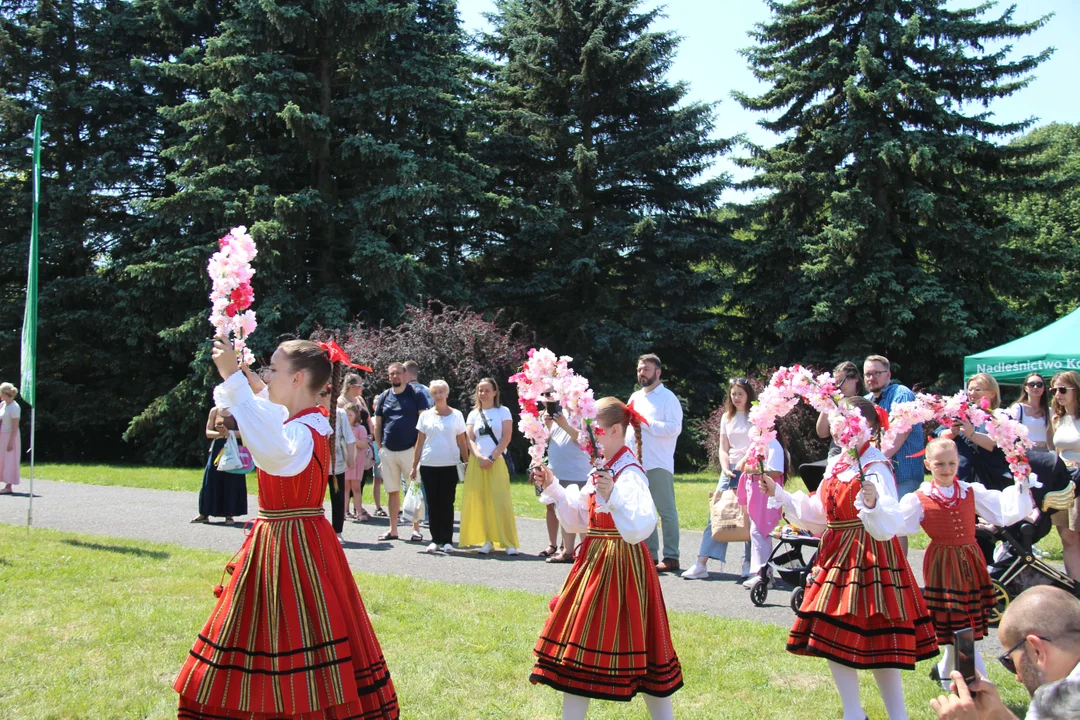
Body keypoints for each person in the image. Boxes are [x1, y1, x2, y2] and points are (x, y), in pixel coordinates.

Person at [175, 338, 398, 719]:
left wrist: (233, 376)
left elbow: (272, 449)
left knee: (295, 629)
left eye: (273, 369)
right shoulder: (296, 419)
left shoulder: (301, 431)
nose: (266, 376)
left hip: (294, 546)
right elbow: (262, 406)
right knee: (262, 627)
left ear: (296, 379)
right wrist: (242, 375)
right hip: (285, 539)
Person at [760, 396, 938, 720]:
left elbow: (889, 521)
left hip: (869, 555)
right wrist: (781, 494)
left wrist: (873, 504)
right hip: (836, 553)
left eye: (845, 422)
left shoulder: (875, 464)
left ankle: (897, 715)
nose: (840, 429)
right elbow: (819, 514)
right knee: (829, 633)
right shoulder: (838, 462)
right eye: (836, 423)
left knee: (880, 641)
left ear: (866, 425)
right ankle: (853, 713)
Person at [531, 397, 682, 720]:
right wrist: (554, 486)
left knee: (645, 654)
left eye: (595, 430)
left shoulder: (629, 471)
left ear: (615, 430)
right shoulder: (604, 467)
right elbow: (580, 519)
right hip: (594, 562)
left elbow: (641, 525)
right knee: (576, 650)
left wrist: (613, 494)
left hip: (624, 566)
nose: (589, 437)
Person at [895, 437, 1033, 688]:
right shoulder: (919, 498)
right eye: (939, 464)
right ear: (928, 465)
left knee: (965, 621)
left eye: (951, 463)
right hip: (942, 564)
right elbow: (897, 524)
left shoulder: (970, 491)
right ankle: (976, 684)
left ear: (959, 463)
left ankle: (949, 673)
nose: (946, 469)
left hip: (971, 560)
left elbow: (1003, 511)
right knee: (956, 622)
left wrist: (1022, 483)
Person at [930, 586, 1080, 720]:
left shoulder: (1059, 701)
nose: (1018, 678)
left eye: (1010, 662)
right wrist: (998, 714)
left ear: (1037, 650)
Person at [682, 378, 755, 581]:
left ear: (748, 394)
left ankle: (749, 563)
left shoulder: (756, 416)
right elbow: (724, 447)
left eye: (740, 393)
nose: (736, 397)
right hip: (729, 470)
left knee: (749, 515)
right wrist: (725, 467)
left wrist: (744, 463)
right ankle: (701, 563)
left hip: (750, 468)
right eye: (733, 394)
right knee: (717, 513)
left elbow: (758, 443)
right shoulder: (726, 417)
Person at [626, 353, 683, 573]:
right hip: (636, 463)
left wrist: (646, 422)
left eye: (646, 369)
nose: (642, 373)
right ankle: (649, 554)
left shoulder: (668, 398)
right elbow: (629, 429)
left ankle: (671, 556)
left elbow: (674, 428)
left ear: (658, 372)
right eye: (640, 369)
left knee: (666, 511)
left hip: (658, 462)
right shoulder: (635, 397)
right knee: (645, 510)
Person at [864, 354, 925, 555]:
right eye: (867, 374)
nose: (871, 378)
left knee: (896, 525)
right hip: (875, 473)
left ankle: (901, 578)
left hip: (903, 472)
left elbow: (902, 430)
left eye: (876, 373)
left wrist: (876, 461)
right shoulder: (865, 402)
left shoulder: (901, 393)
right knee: (874, 523)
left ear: (888, 374)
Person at [460, 378, 520, 554]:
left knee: (501, 501)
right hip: (477, 464)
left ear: (495, 392)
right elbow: (469, 438)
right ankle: (487, 540)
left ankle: (508, 542)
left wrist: (492, 458)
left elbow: (506, 437)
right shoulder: (473, 414)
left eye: (487, 390)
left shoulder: (503, 411)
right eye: (480, 390)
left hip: (496, 461)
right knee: (482, 501)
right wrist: (478, 457)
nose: (483, 394)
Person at [373, 362, 430, 542]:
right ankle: (393, 529)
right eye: (392, 374)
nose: (395, 377)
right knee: (392, 491)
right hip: (388, 451)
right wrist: (380, 448)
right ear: (388, 377)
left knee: (414, 489)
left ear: (405, 374)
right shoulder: (384, 396)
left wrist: (418, 448)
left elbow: (423, 423)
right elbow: (378, 423)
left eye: (398, 373)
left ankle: (415, 529)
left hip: (410, 450)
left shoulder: (416, 394)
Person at [410, 380, 468, 553]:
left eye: (441, 392)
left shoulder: (456, 415)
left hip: (449, 464)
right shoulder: (425, 416)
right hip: (429, 464)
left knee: (447, 502)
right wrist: (414, 466)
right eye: (435, 392)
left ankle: (447, 540)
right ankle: (435, 539)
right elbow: (419, 443)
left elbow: (462, 441)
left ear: (447, 393)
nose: (438, 395)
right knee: (433, 503)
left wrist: (467, 463)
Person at [541, 402, 594, 563]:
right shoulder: (558, 413)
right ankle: (567, 551)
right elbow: (548, 442)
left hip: (579, 472)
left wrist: (563, 424)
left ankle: (586, 553)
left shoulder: (586, 412)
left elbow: (587, 440)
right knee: (563, 511)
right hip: (558, 472)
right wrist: (548, 425)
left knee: (582, 513)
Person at [741, 432, 790, 592]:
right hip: (756, 491)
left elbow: (776, 471)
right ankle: (761, 571)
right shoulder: (758, 443)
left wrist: (753, 470)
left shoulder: (773, 443)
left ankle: (764, 573)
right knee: (756, 532)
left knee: (761, 531)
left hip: (765, 491)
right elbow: (745, 465)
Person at [191, 407, 248, 524]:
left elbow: (245, 432)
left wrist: (229, 433)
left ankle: (229, 514)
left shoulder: (238, 410)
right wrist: (220, 433)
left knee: (231, 479)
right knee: (211, 479)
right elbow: (208, 432)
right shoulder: (214, 411)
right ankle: (204, 513)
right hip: (218, 448)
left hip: (232, 447)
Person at [1050, 371, 1080, 579]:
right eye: (1054, 390)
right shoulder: (1057, 419)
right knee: (1067, 537)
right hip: (1064, 481)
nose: (1057, 394)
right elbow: (1055, 450)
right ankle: (1075, 587)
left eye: (1063, 389)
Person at [319, 385, 356, 544]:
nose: (318, 397)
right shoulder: (314, 413)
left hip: (337, 465)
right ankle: (317, 531)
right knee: (315, 501)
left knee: (338, 497)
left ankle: (337, 532)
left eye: (322, 394)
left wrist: (351, 459)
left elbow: (349, 437)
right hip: (318, 464)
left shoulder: (340, 414)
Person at [344, 402, 374, 521]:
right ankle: (345, 511)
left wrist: (352, 439)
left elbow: (363, 444)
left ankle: (359, 512)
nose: (347, 418)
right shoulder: (343, 428)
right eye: (345, 415)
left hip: (357, 462)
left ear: (356, 415)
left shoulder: (360, 429)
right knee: (345, 487)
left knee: (356, 488)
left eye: (350, 415)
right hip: (346, 461)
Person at [1012, 372, 1054, 451]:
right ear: (1025, 388)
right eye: (1031, 384)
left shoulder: (1049, 411)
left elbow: (1051, 439)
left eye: (1039, 384)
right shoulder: (1018, 408)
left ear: (1044, 388)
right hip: (1024, 453)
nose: (1035, 387)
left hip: (1044, 454)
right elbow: (1011, 434)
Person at [0, 382, 21, 495]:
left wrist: (11, 442)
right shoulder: (3, 404)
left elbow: (15, 426)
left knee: (9, 459)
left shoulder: (14, 407)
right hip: (2, 434)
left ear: (5, 393)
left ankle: (9, 486)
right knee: (1, 459)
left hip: (10, 435)